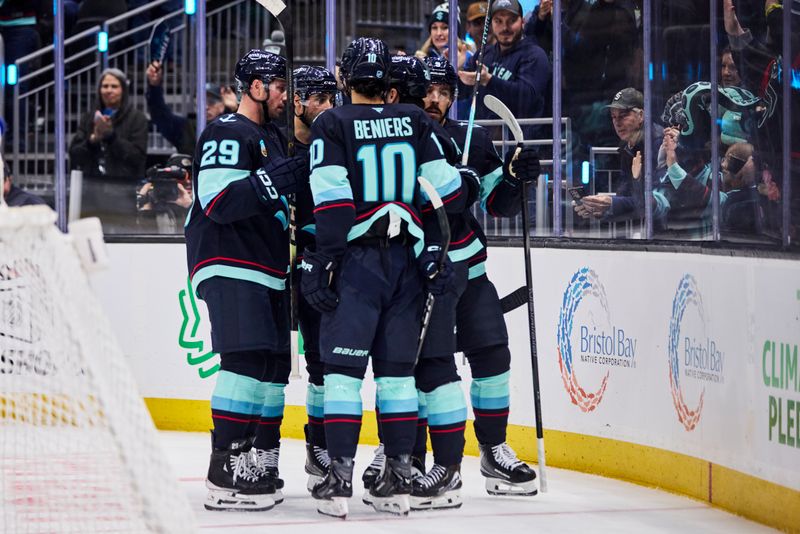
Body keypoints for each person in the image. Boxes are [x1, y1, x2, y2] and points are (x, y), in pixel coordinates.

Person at [301, 37, 462, 518]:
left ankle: (340, 478)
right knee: (397, 377)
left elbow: (333, 204)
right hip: (407, 264)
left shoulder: (330, 123)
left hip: (357, 264)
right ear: (388, 83)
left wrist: (322, 261)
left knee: (343, 375)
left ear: (346, 80)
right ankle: (398, 478)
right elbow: (448, 192)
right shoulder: (415, 121)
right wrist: (436, 248)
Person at [185, 49, 309, 512]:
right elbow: (217, 200)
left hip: (267, 268)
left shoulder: (273, 138)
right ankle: (225, 467)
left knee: (265, 366)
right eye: (279, 85)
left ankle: (247, 460)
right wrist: (270, 182)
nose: (285, 94)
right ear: (255, 86)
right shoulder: (226, 131)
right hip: (230, 261)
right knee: (242, 362)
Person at [413, 55, 540, 507]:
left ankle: (493, 450)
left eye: (444, 92)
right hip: (418, 274)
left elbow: (500, 205)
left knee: (493, 355)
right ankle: (413, 456)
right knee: (425, 370)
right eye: (428, 90)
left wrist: (514, 175)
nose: (435, 99)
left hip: (469, 268)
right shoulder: (400, 136)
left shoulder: (472, 138)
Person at [288, 65, 338, 490]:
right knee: (263, 364)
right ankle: (253, 450)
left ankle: (317, 445)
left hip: (318, 268)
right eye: (318, 98)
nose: (326, 107)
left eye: (330, 98)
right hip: (273, 269)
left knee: (322, 362)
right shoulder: (272, 143)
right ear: (297, 101)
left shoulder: (335, 144)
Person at [459, 0, 550, 138]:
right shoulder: (484, 54)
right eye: (498, 21)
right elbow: (461, 93)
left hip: (524, 146)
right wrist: (457, 69)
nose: (505, 27)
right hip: (486, 146)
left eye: (511, 20)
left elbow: (526, 97)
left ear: (523, 22)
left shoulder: (534, 55)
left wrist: (489, 80)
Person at [574, 88, 663, 223]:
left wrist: (611, 204)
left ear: (641, 116)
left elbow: (655, 202)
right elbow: (627, 196)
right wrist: (600, 210)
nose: (617, 122)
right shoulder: (626, 147)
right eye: (613, 117)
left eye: (623, 116)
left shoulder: (659, 144)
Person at [69, 68, 148, 181]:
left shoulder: (137, 118)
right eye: (105, 86)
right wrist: (92, 140)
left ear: (123, 90)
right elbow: (75, 155)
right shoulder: (88, 118)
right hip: (92, 187)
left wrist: (111, 137)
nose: (109, 90)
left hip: (124, 188)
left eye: (114, 86)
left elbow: (137, 158)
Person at [146, 60, 238, 155]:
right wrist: (154, 86)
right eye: (200, 102)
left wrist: (235, 108)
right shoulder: (186, 128)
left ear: (223, 104)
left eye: (212, 102)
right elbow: (160, 114)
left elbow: (249, 132)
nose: (205, 107)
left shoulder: (233, 125)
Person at [720, 142, 764, 236]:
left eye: (729, 160)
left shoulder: (734, 201)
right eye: (724, 158)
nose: (723, 165)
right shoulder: (752, 195)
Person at [415, 3, 472, 70]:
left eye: (445, 27)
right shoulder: (423, 56)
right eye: (434, 27)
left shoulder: (468, 58)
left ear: (455, 32)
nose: (439, 33)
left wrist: (460, 67)